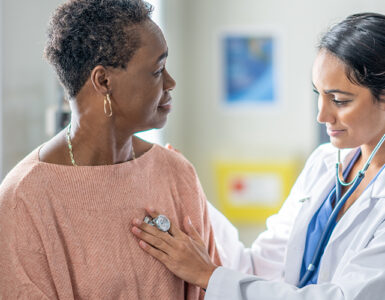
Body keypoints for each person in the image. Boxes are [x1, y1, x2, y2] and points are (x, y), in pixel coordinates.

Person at [132, 13, 385, 299]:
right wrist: (191, 191)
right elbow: (257, 268)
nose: (321, 115)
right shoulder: (325, 163)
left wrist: (206, 275)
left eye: (339, 100)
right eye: (320, 94)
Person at [0, 0, 221, 299]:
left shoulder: (176, 173)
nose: (171, 82)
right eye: (157, 71)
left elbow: (215, 287)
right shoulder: (24, 198)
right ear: (103, 81)